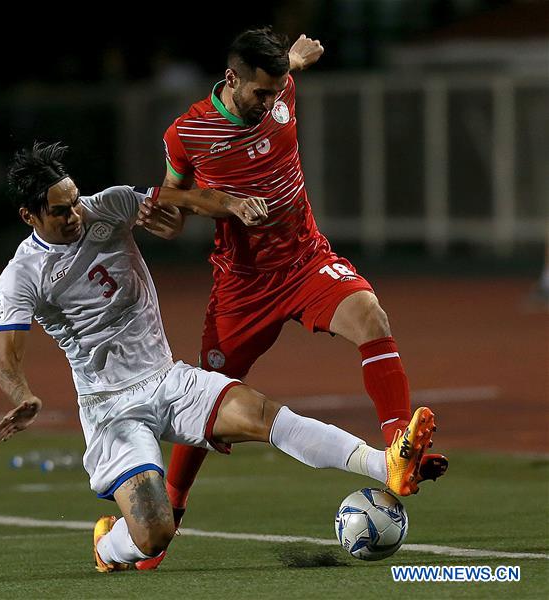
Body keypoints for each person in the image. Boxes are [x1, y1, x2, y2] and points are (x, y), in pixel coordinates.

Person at [0, 142, 437, 572]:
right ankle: (109, 545)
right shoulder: (21, 277)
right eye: (60, 210)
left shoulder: (107, 205)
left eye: (74, 201)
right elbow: (7, 360)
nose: (75, 214)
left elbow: (186, 198)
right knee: (155, 534)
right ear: (30, 215)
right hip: (111, 408)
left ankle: (386, 464)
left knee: (264, 415)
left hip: (168, 378)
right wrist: (22, 395)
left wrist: (232, 206)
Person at [136, 29, 449, 560]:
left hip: (306, 262)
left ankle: (399, 450)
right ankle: (167, 520)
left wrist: (295, 60)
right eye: (261, 93)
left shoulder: (279, 91)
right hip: (242, 287)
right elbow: (172, 197)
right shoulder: (187, 132)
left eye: (277, 91)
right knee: (208, 400)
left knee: (370, 315)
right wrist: (203, 208)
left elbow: (289, 71)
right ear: (231, 80)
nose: (270, 103)